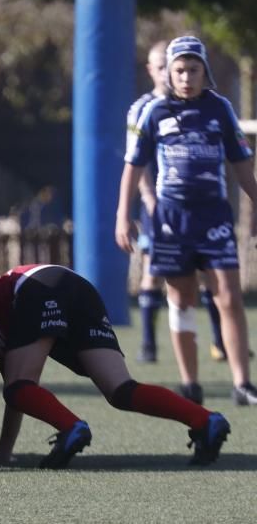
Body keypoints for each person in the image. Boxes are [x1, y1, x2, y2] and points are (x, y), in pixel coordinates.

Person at [0, 264, 230, 468]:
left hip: (37, 283)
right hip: (74, 285)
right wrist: (3, 453)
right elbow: (19, 391)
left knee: (19, 387)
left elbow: (18, 386)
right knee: (121, 390)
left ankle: (71, 426)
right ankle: (205, 420)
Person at [116, 35, 257, 406]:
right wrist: (123, 217)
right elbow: (133, 167)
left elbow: (242, 163)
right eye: (179, 70)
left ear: (204, 71)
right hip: (171, 220)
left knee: (228, 296)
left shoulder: (220, 109)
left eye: (193, 69)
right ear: (169, 74)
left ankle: (243, 383)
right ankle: (190, 383)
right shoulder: (154, 112)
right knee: (182, 299)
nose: (186, 77)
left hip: (213, 215)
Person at [127, 40, 225, 366]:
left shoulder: (206, 105)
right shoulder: (144, 108)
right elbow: (135, 160)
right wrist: (148, 198)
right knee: (155, 274)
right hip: (159, 202)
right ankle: (148, 345)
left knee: (211, 273)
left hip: (197, 205)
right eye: (162, 67)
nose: (177, 74)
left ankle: (219, 340)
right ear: (156, 70)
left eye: (189, 68)